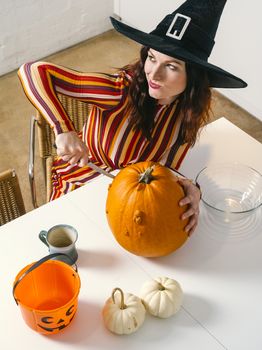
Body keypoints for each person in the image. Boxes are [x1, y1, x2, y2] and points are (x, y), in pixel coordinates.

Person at [18, 0, 247, 235]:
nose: (154, 74)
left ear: (195, 78)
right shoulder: (118, 92)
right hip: (81, 183)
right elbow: (33, 71)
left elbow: (167, 168)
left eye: (172, 66)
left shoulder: (187, 110)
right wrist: (63, 128)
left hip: (135, 195)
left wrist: (189, 186)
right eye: (152, 57)